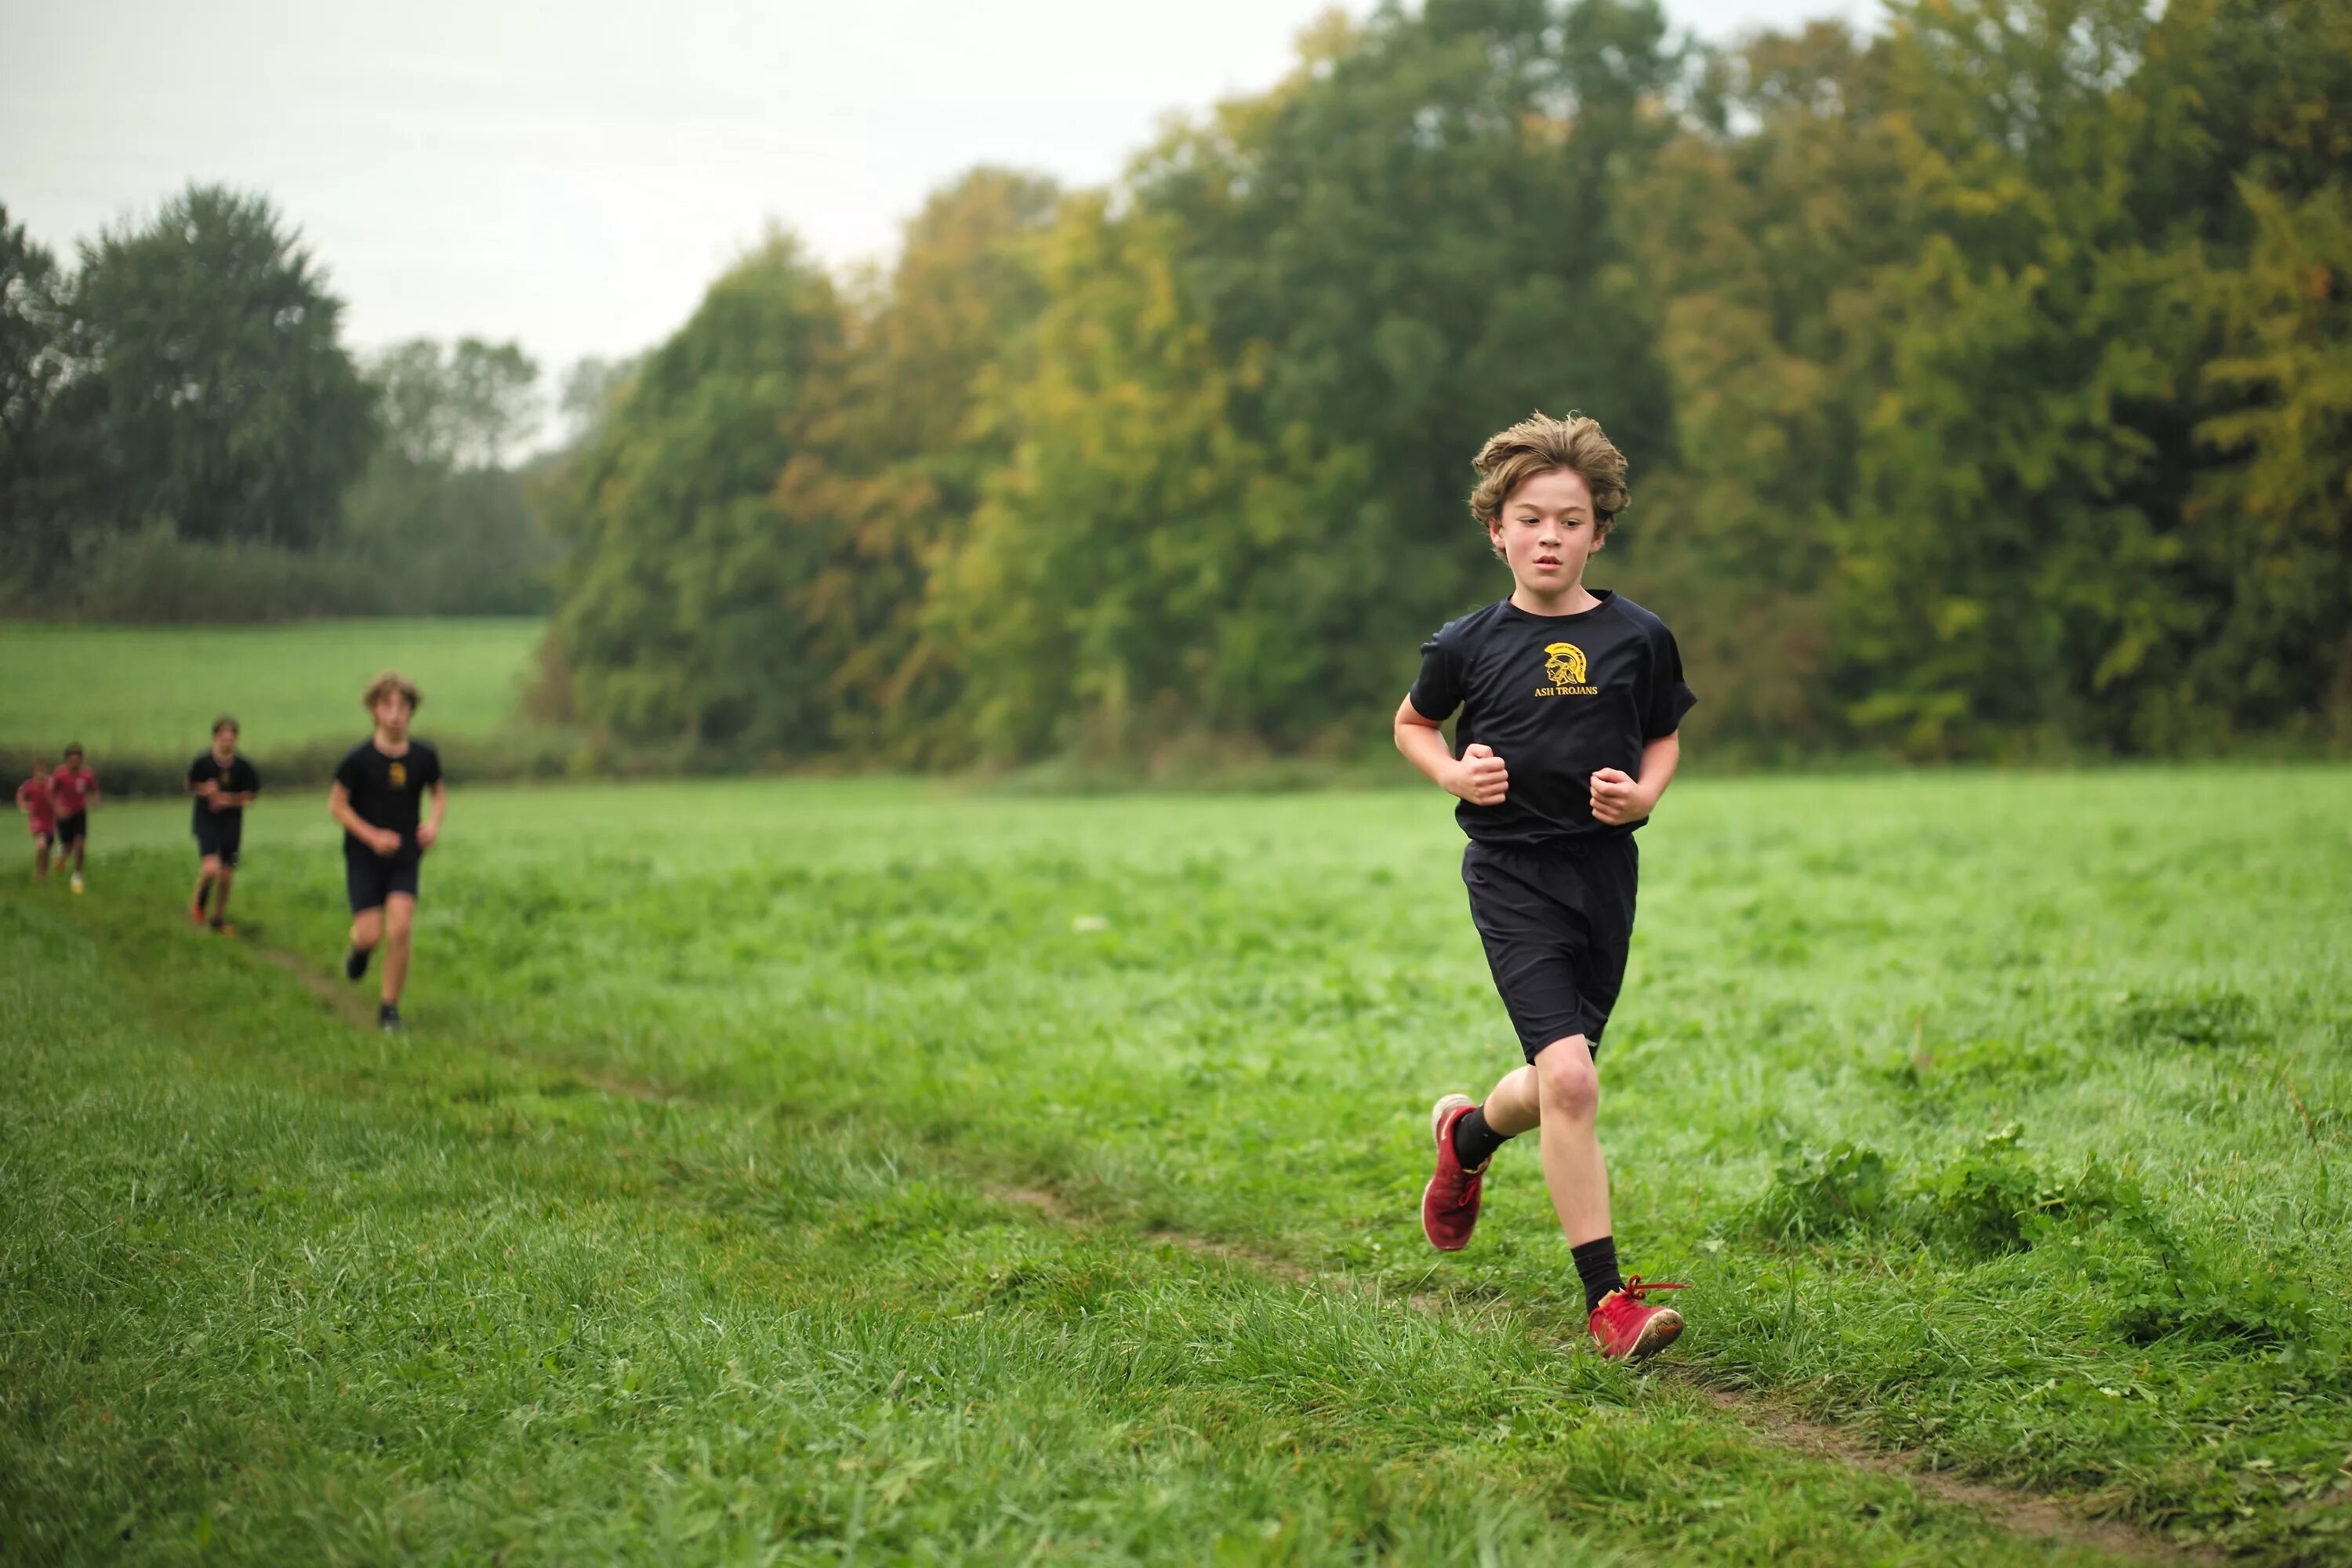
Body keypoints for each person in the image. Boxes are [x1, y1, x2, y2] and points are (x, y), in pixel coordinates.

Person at [1394, 411, 1697, 1362]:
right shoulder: (1467, 642)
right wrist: (1452, 774)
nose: (1550, 536)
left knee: (1558, 1083)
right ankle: (1608, 1301)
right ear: (1498, 530)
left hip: (1604, 875)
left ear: (1599, 532)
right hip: (1511, 872)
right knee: (1572, 1078)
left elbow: (1663, 732)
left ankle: (1469, 1135)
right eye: (1531, 518)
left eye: (1570, 519)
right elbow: (1412, 723)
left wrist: (1642, 793)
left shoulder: (1640, 636)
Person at [328, 672, 445, 1033]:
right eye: (387, 706)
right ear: (375, 711)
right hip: (364, 856)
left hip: (405, 855)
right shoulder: (358, 759)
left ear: (411, 711)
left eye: (402, 707)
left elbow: (439, 794)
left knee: (401, 928)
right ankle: (359, 951)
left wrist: (433, 823)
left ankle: (389, 1008)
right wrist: (371, 835)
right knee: (370, 935)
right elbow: (337, 805)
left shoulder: (424, 756)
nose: (395, 714)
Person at [187, 716, 261, 935]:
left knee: (226, 875)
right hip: (207, 821)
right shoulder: (203, 762)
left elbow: (252, 795)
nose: (227, 740)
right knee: (211, 869)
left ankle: (218, 918)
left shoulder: (243, 767)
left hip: (231, 823)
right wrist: (204, 790)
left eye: (231, 736)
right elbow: (190, 785)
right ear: (215, 737)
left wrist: (230, 800)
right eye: (223, 736)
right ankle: (199, 903)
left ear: (236, 739)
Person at [48, 743, 98, 895]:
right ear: (67, 760)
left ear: (81, 760)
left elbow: (94, 790)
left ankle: (77, 877)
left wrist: (93, 801)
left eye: (78, 759)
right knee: (68, 846)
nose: (75, 762)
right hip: (64, 814)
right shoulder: (60, 774)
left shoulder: (87, 774)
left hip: (79, 813)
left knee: (80, 844)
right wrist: (57, 808)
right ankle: (61, 855)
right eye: (72, 759)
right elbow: (50, 793)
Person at [16, 757, 56, 881]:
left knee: (47, 850)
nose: (41, 774)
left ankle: (43, 873)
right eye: (38, 771)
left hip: (50, 822)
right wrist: (24, 806)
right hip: (37, 821)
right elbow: (20, 796)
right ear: (34, 773)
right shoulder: (29, 786)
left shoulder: (52, 785)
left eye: (43, 771)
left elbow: (61, 795)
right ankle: (38, 872)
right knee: (41, 846)